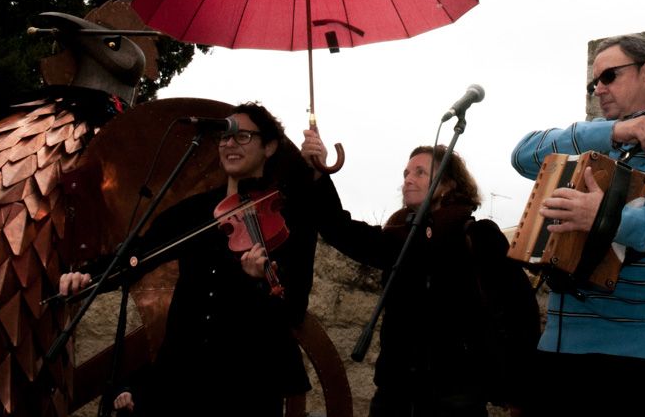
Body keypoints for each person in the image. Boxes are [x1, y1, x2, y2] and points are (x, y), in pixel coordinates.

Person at [510, 33, 645, 417]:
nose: (598, 89)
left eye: (609, 76)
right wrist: (610, 132)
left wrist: (606, 217)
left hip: (643, 351)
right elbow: (523, 155)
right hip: (561, 343)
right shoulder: (595, 139)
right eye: (593, 82)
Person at [59, 102, 315, 416]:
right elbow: (138, 255)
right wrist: (90, 277)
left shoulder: (288, 215)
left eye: (242, 136)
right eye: (224, 136)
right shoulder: (196, 211)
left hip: (249, 385)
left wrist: (260, 283)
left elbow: (293, 305)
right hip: (182, 377)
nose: (229, 143)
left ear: (270, 146)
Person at [301, 135, 540, 417]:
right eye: (406, 173)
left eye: (420, 172)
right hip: (394, 396)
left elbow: (520, 312)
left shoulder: (477, 236)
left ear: (448, 184)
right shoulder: (399, 238)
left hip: (456, 398)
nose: (408, 180)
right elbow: (341, 230)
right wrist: (318, 173)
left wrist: (520, 393)